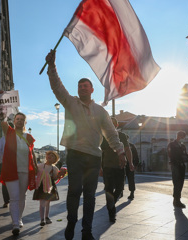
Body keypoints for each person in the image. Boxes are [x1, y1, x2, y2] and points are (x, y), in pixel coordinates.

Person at [46, 50, 126, 240]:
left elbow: (111, 133)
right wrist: (51, 66)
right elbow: (57, 87)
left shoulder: (100, 111)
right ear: (78, 90)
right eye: (80, 86)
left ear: (92, 90)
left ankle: (87, 231)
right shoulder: (70, 103)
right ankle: (72, 222)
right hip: (74, 154)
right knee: (74, 191)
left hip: (93, 157)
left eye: (86, 86)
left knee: (90, 196)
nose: (82, 88)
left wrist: (120, 151)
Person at [0, 112, 37, 236]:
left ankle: (19, 218)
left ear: (25, 122)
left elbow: (32, 154)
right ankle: (15, 224)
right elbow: (3, 124)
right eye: (17, 119)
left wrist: (36, 167)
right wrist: (2, 106)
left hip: (25, 171)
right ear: (14, 121)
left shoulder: (29, 137)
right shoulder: (9, 132)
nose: (20, 121)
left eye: (22, 119)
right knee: (14, 198)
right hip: (11, 170)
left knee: (22, 197)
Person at [101, 117, 133, 223]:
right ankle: (112, 213)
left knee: (120, 188)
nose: (111, 125)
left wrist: (131, 162)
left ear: (116, 125)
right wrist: (99, 167)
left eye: (113, 123)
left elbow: (128, 150)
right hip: (107, 166)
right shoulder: (103, 136)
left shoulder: (122, 136)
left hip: (120, 166)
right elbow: (99, 152)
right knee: (109, 189)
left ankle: (111, 204)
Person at [33, 151, 60, 226]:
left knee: (47, 203)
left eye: (52, 156)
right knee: (42, 203)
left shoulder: (54, 168)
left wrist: (59, 175)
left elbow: (55, 177)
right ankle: (42, 219)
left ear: (54, 160)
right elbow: (35, 172)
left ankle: (46, 217)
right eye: (49, 155)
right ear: (46, 156)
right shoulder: (40, 166)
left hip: (49, 187)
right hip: (41, 186)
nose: (50, 156)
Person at [167, 131, 188, 208]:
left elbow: (185, 154)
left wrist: (186, 158)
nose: (183, 139)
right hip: (175, 165)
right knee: (176, 183)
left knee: (181, 183)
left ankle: (177, 199)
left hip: (182, 165)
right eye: (182, 137)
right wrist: (176, 160)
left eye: (184, 138)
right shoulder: (172, 144)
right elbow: (170, 154)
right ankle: (177, 200)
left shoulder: (183, 146)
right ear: (178, 136)